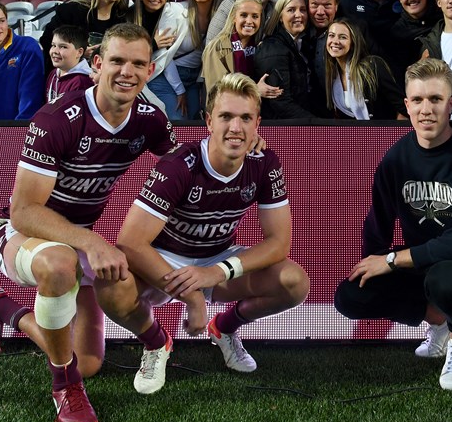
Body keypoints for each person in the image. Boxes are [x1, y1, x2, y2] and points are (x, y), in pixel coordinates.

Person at [0, 22, 176, 422]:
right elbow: (24, 210)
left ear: (150, 71)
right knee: (61, 265)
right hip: (20, 232)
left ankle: (1, 308)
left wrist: (238, 142)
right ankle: (64, 386)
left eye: (138, 63)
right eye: (117, 60)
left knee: (91, 362)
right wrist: (91, 241)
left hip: (75, 241)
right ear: (96, 64)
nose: (126, 72)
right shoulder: (57, 118)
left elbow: (186, 166)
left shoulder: (150, 120)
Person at [98, 73, 308, 392]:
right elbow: (130, 242)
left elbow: (279, 243)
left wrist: (217, 271)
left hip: (216, 259)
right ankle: (156, 343)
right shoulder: (179, 164)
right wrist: (192, 295)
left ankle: (224, 328)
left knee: (295, 282)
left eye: (245, 118)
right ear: (209, 121)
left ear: (257, 123)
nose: (235, 128)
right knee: (111, 285)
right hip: (165, 260)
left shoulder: (265, 161)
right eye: (226, 116)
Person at [334, 57, 452, 390]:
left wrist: (394, 260)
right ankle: (439, 321)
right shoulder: (395, 158)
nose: (426, 109)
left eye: (436, 99)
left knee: (446, 279)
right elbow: (378, 222)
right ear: (407, 105)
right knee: (350, 295)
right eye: (418, 100)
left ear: (451, 104)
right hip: (420, 265)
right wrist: (376, 262)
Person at [40, 0, 128, 69]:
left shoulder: (123, 17)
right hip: (69, 73)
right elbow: (47, 40)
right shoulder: (71, 10)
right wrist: (78, 54)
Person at [254, 0, 322, 118]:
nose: (299, 15)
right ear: (280, 17)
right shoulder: (273, 49)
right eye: (291, 10)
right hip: (282, 128)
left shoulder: (303, 44)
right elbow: (280, 103)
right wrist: (315, 123)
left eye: (303, 9)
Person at [130, 0, 188, 120]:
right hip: (134, 76)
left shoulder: (169, 15)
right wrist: (153, 44)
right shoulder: (129, 16)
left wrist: (179, 90)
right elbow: (129, 54)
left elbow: (165, 57)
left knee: (177, 117)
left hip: (157, 73)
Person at [323, 18, 405, 119]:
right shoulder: (331, 74)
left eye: (342, 37)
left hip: (382, 132)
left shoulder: (373, 66)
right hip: (353, 134)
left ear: (353, 43)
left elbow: (401, 105)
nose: (335, 41)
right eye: (331, 35)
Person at [174, 0, 226, 120]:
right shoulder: (178, 11)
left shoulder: (221, 18)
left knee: (197, 118)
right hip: (172, 76)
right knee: (178, 119)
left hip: (195, 79)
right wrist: (179, 90)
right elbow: (164, 56)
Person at [200, 0, 268, 103]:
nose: (249, 21)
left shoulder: (259, 47)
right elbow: (219, 92)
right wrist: (255, 90)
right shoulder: (216, 48)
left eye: (255, 16)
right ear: (233, 18)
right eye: (244, 15)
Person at [44, 25, 92, 103]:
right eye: (53, 45)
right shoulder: (54, 73)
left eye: (63, 47)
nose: (55, 51)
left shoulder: (82, 82)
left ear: (79, 52)